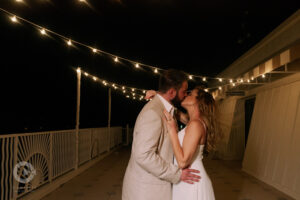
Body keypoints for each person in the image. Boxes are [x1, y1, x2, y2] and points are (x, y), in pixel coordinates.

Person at [122, 69, 201, 200]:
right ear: (171, 92)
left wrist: (160, 97)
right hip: (146, 192)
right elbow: (143, 155)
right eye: (183, 91)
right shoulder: (153, 113)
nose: (185, 95)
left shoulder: (167, 109)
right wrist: (176, 174)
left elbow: (188, 119)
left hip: (157, 188)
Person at [148, 87, 218, 200]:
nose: (186, 95)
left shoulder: (196, 124)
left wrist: (172, 131)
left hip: (192, 180)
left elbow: (183, 161)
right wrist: (158, 95)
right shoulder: (193, 122)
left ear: (197, 101)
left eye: (190, 94)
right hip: (187, 177)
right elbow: (175, 113)